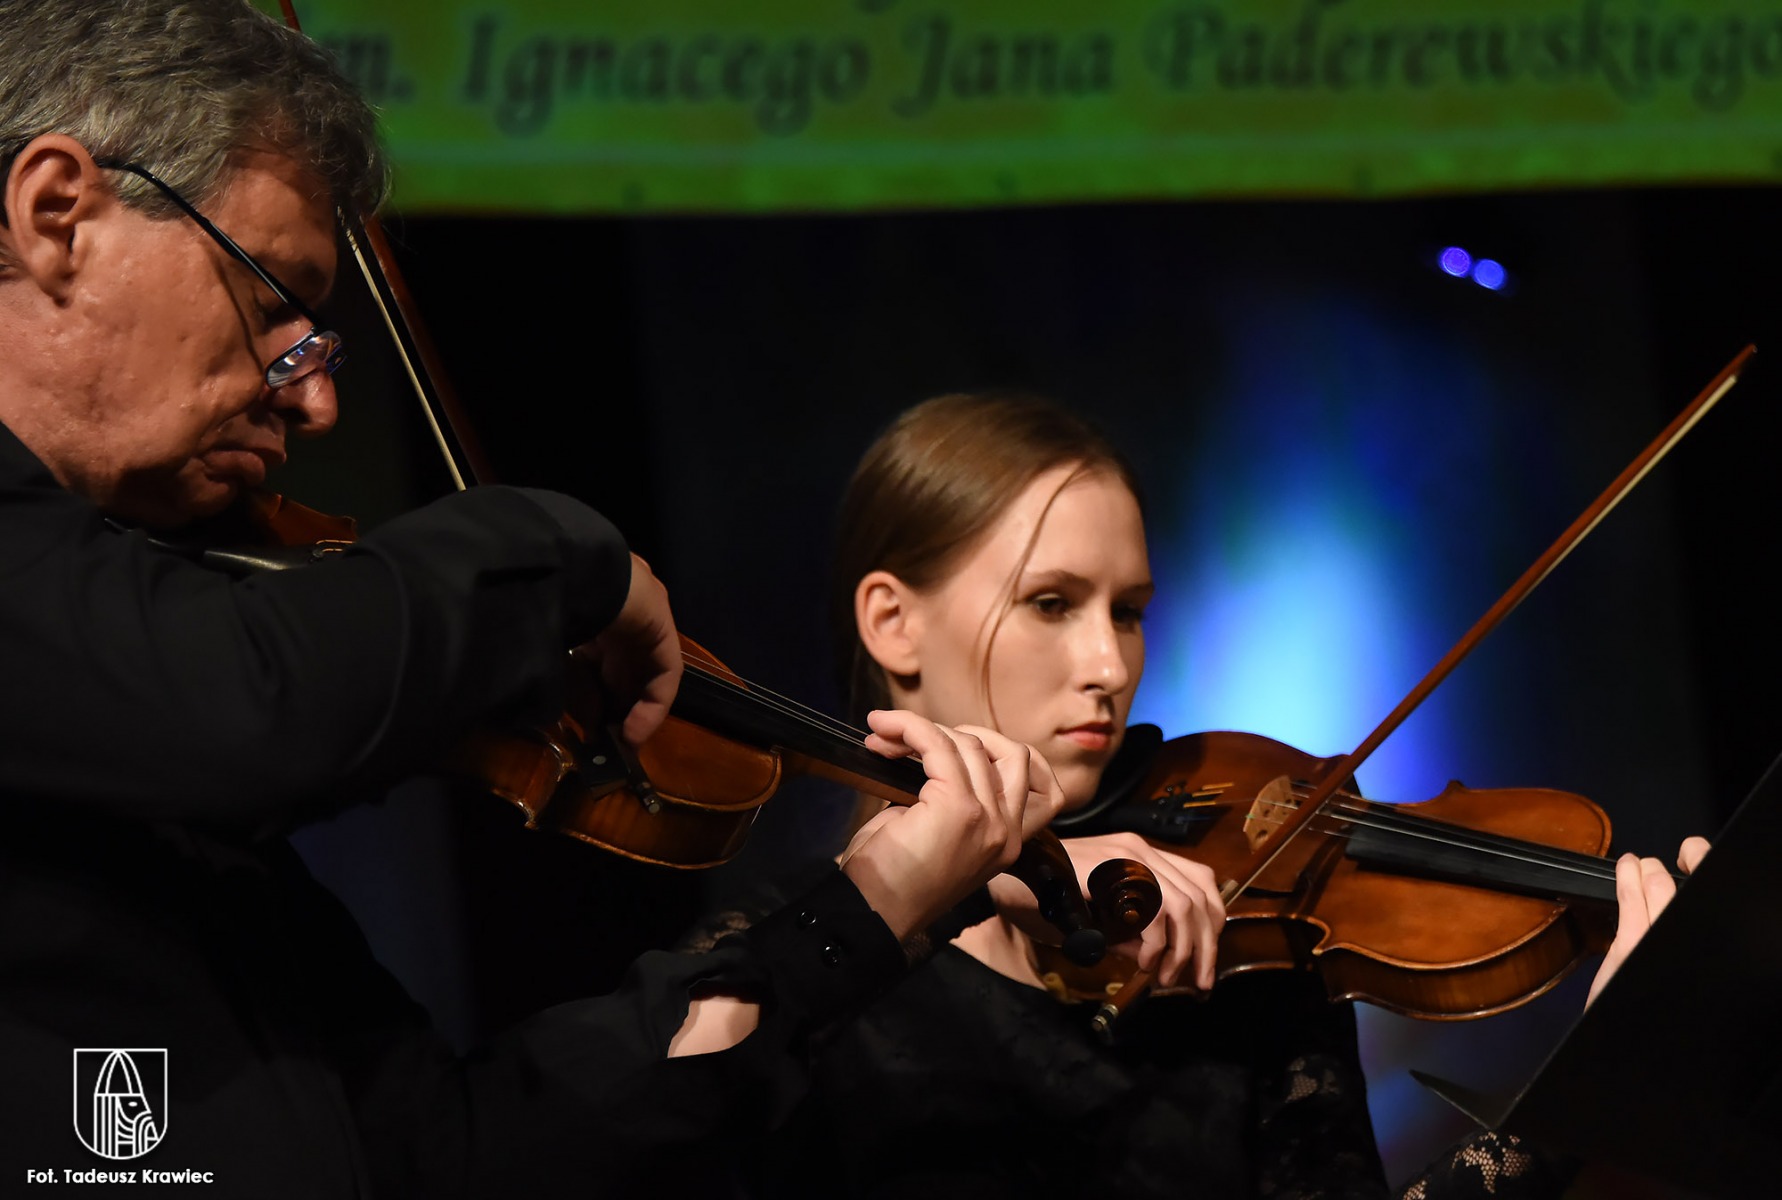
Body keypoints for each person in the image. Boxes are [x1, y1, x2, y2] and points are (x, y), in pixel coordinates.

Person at [0, 5, 1065, 1196]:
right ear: (58, 214)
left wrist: (862, 910)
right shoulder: (186, 694)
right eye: (272, 302)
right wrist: (559, 549)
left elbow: (451, 1155)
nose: (314, 400)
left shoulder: (162, 780)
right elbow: (244, 701)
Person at [691, 391, 1709, 1199]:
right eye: (1051, 603)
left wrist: (1582, 1096)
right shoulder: (782, 962)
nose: (1109, 666)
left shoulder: (1240, 939)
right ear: (892, 623)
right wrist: (991, 869)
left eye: (1129, 611)